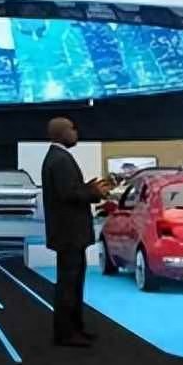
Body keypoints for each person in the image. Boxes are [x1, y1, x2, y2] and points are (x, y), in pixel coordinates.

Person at [41, 116, 110, 348]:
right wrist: (93, 192)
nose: (76, 132)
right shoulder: (60, 159)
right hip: (69, 233)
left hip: (68, 233)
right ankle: (66, 333)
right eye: (72, 129)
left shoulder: (57, 157)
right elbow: (68, 194)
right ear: (61, 133)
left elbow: (69, 190)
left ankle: (75, 328)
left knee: (72, 283)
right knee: (69, 285)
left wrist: (89, 188)